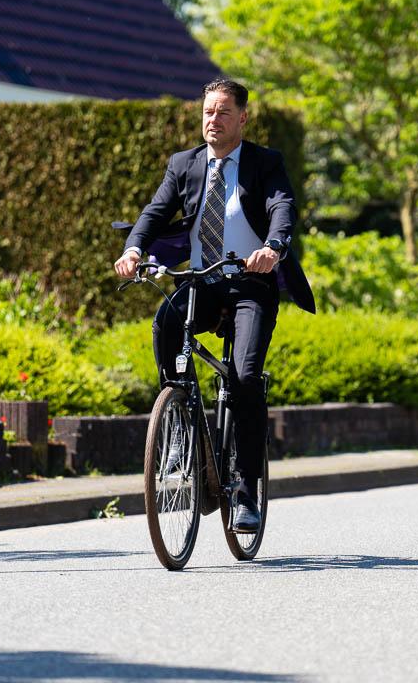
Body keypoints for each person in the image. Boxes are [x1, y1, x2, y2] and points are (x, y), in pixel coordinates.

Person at [114, 78, 315, 531]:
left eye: (223, 112)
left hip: (250, 283)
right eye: (208, 111)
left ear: (242, 118)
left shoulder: (265, 163)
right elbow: (154, 212)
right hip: (202, 281)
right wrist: (133, 251)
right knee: (166, 323)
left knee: (244, 378)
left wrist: (274, 247)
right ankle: (179, 421)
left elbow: (283, 207)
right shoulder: (183, 164)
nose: (213, 120)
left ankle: (245, 491)